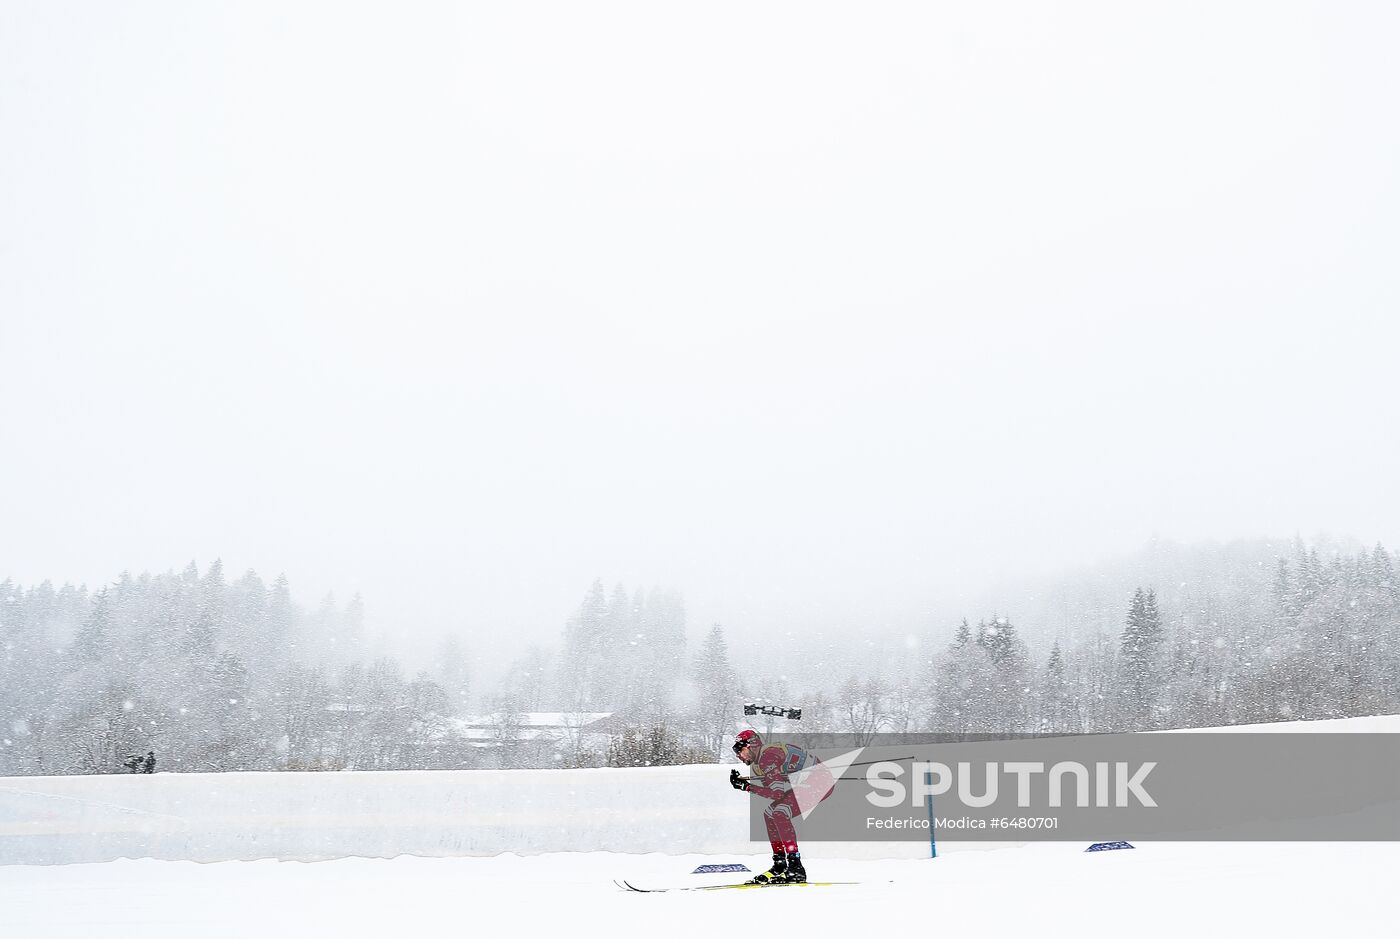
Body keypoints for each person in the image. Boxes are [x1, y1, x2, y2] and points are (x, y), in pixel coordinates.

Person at [728, 728, 834, 884]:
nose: (738, 755)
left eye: (739, 749)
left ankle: (796, 867)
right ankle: (780, 864)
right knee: (770, 814)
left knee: (780, 812)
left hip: (819, 782)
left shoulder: (767, 757)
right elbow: (774, 790)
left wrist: (747, 787)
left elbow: (776, 794)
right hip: (812, 780)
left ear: (751, 746)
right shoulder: (761, 761)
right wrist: (748, 784)